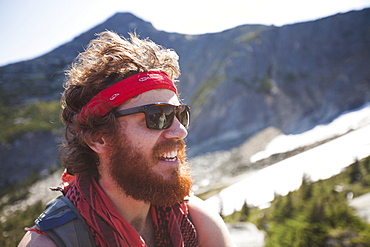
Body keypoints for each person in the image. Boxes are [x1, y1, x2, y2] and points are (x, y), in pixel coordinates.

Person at [19, 31, 235, 247]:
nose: (180, 131)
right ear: (99, 138)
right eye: (157, 116)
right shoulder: (51, 242)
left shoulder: (196, 223)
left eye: (180, 115)